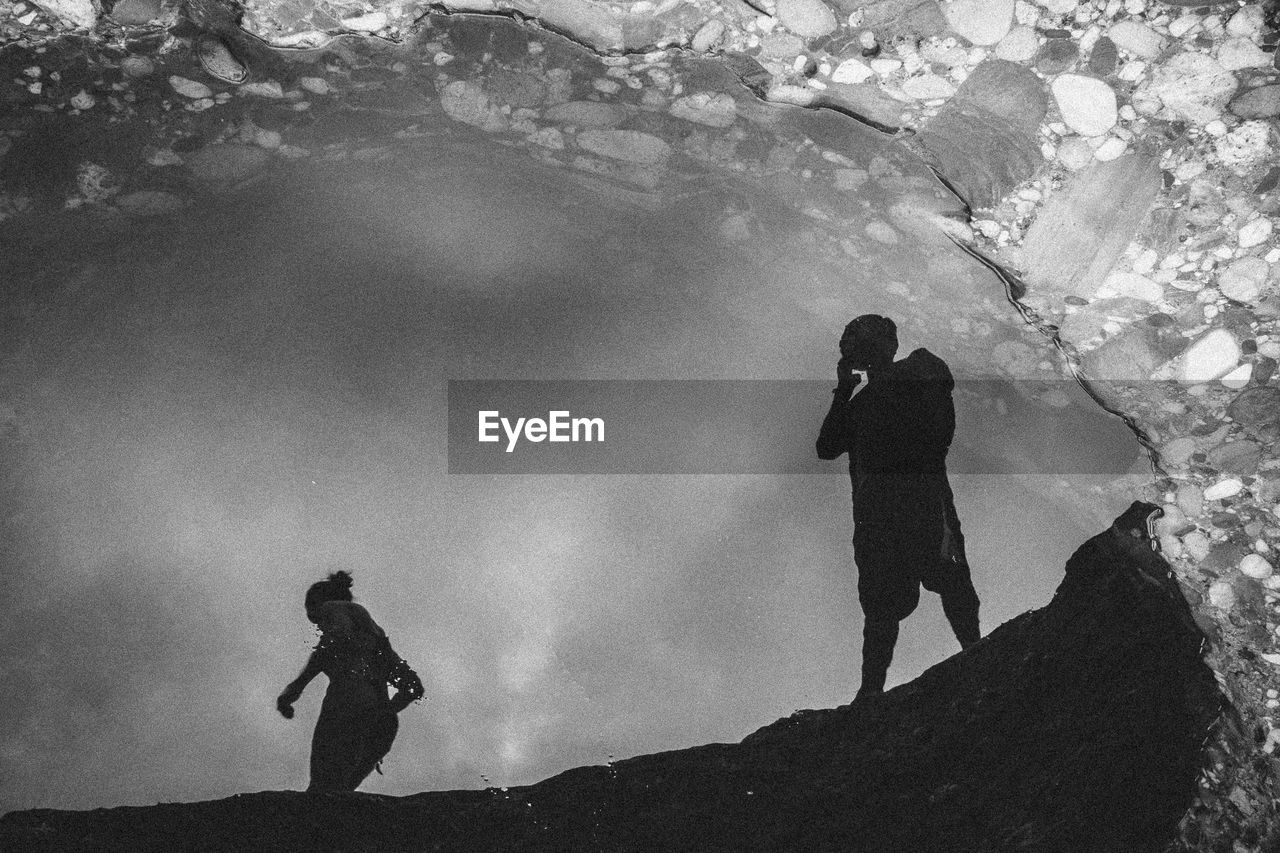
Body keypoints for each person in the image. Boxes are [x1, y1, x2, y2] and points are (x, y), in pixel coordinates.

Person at [816, 314, 981, 700]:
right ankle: (872, 688)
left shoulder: (917, 373)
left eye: (858, 344)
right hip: (880, 513)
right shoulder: (864, 403)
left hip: (916, 499)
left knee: (945, 575)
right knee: (884, 601)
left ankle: (973, 650)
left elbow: (938, 429)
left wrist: (850, 392)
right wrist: (844, 390)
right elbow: (826, 448)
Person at [276, 570, 424, 792]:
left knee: (320, 792)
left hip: (345, 707)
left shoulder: (332, 608)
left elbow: (336, 640)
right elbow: (414, 687)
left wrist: (294, 689)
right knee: (341, 792)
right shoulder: (377, 640)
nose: (319, 627)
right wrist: (383, 710)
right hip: (382, 725)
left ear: (318, 605)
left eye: (315, 619)